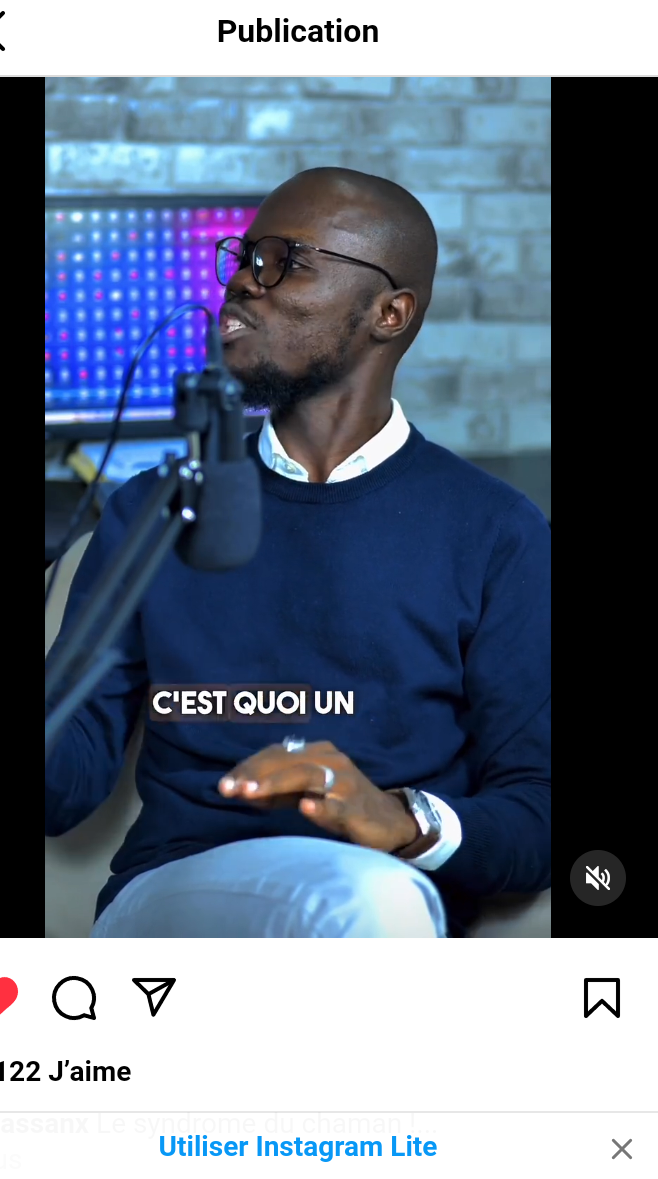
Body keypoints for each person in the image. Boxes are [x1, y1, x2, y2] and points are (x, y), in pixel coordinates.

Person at [45, 166, 551, 938]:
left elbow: (536, 812)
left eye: (285, 260)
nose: (244, 282)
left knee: (372, 898)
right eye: (244, 257)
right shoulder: (152, 510)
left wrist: (400, 819)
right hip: (177, 891)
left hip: (391, 909)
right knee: (362, 902)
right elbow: (67, 788)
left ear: (389, 313)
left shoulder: (497, 531)